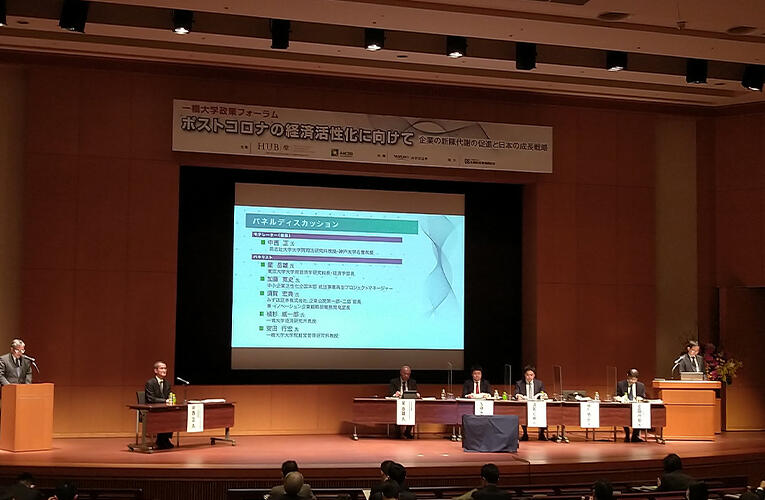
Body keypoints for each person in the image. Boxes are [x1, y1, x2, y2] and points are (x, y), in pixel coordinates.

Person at [145, 360, 174, 449]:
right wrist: (165, 401)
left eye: (165, 368)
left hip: (164, 409)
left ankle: (164, 439)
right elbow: (150, 399)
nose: (164, 370)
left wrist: (170, 400)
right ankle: (161, 440)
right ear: (156, 370)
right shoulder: (150, 383)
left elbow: (169, 396)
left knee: (173, 415)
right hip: (152, 410)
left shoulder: (167, 383)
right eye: (161, 368)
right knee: (163, 417)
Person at [514, 366, 548, 441]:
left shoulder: (539, 383)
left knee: (544, 412)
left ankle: (541, 433)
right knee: (523, 413)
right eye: (527, 375)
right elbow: (516, 393)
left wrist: (543, 395)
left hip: (537, 404)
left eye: (531, 375)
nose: (529, 377)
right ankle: (525, 433)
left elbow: (543, 393)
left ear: (534, 375)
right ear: (524, 375)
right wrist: (518, 396)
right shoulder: (519, 383)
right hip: (525, 404)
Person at [616, 368, 646, 442]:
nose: (632, 381)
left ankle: (635, 436)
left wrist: (640, 398)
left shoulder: (641, 385)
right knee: (623, 415)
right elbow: (617, 395)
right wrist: (620, 398)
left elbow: (643, 396)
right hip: (625, 406)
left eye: (634, 379)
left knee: (640, 414)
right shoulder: (621, 384)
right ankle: (627, 434)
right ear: (627, 376)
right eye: (631, 379)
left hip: (637, 406)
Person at [388, 365, 419, 438]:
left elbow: (415, 393)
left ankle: (407, 432)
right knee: (395, 411)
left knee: (413, 412)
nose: (407, 376)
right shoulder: (394, 381)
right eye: (405, 374)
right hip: (397, 404)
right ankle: (398, 432)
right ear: (401, 373)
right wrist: (395, 394)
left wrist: (417, 395)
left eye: (408, 374)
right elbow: (390, 393)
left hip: (409, 404)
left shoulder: (412, 382)